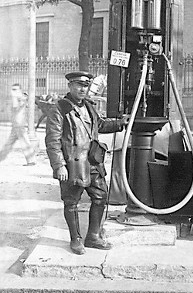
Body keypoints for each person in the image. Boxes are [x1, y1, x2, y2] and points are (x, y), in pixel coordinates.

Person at [45, 71, 128, 255]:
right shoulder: (60, 109)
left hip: (92, 162)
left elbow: (100, 125)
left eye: (85, 86)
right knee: (71, 202)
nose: (82, 89)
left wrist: (120, 123)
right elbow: (53, 141)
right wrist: (59, 165)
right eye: (78, 85)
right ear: (70, 86)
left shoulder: (89, 107)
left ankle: (93, 236)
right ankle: (75, 240)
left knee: (100, 197)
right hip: (73, 164)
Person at [0, 83, 36, 166]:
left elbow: (16, 107)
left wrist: (14, 98)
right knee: (9, 143)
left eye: (15, 89)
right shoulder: (18, 98)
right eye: (13, 89)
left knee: (24, 142)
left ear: (20, 90)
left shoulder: (19, 98)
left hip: (19, 125)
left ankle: (31, 160)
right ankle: (1, 157)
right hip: (16, 124)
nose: (13, 91)